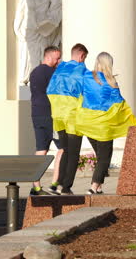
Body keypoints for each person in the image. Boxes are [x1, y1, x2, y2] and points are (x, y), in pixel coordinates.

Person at [74, 52, 136, 194]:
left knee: (100, 155)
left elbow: (77, 93)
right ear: (109, 65)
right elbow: (120, 103)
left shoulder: (86, 77)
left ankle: (99, 187)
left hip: (88, 123)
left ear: (97, 62)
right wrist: (131, 121)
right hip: (103, 126)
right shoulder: (111, 82)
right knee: (104, 158)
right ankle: (93, 186)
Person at [47, 43, 88, 195]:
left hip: (58, 117)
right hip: (73, 118)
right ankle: (65, 187)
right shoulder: (83, 72)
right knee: (73, 153)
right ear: (82, 56)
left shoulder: (58, 70)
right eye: (84, 58)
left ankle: (58, 184)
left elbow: (49, 91)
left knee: (64, 150)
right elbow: (87, 94)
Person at [29, 46, 64, 195]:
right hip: (51, 115)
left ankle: (36, 185)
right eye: (57, 58)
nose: (58, 61)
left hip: (36, 113)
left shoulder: (34, 72)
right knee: (63, 149)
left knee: (41, 149)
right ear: (48, 57)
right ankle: (55, 183)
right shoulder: (53, 73)